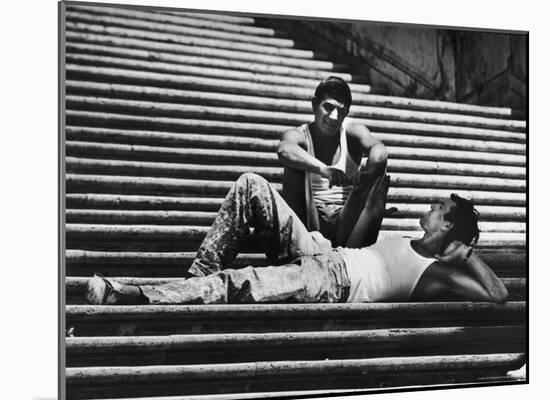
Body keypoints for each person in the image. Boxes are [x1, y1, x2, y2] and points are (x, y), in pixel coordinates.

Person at [86, 173, 508, 306]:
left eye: (439, 208)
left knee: (239, 281)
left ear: (449, 227)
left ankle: (140, 297)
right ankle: (189, 287)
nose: (431, 207)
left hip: (332, 285)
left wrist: (467, 255)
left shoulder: (433, 274)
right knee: (253, 186)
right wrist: (365, 201)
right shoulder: (404, 238)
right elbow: (354, 243)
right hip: (325, 254)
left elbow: (498, 295)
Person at [277, 76, 389, 247]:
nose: (334, 117)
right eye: (328, 107)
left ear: (347, 112)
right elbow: (284, 150)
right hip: (309, 221)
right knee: (293, 166)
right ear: (314, 105)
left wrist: (368, 174)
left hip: (347, 221)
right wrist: (324, 170)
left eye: (341, 110)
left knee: (378, 169)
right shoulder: (299, 134)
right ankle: (297, 249)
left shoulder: (352, 131)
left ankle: (359, 253)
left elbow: (379, 150)